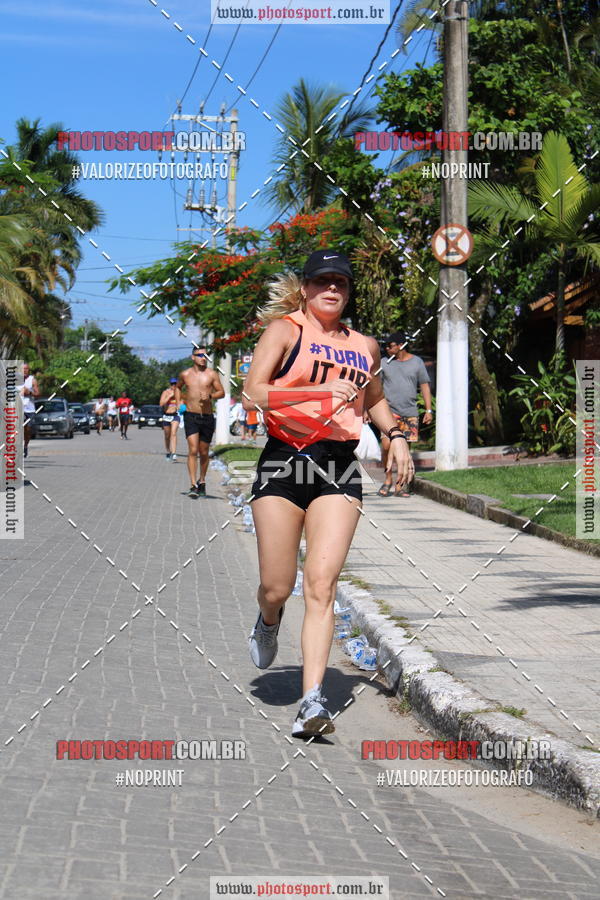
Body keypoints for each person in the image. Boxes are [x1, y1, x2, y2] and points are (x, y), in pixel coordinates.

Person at [243, 249, 412, 737]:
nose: (331, 288)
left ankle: (311, 703)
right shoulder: (286, 330)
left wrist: (393, 435)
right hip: (282, 459)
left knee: (321, 584)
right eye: (322, 281)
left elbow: (374, 399)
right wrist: (316, 394)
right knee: (278, 584)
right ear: (305, 288)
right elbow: (254, 391)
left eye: (340, 281)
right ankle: (268, 617)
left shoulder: (365, 346)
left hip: (337, 464)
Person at [377, 331, 433, 497]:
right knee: (387, 447)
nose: (387, 348)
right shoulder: (384, 363)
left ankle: (400, 485)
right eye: (386, 346)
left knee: (404, 451)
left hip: (409, 413)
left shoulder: (416, 362)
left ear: (401, 345)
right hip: (389, 413)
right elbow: (376, 388)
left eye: (390, 345)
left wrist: (428, 410)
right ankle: (387, 479)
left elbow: (424, 385)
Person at [175, 348, 225, 497]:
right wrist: (178, 403)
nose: (204, 358)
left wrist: (210, 396)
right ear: (193, 357)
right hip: (191, 416)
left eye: (206, 355)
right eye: (200, 355)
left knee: (204, 452)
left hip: (207, 417)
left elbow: (221, 392)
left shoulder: (212, 374)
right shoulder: (185, 374)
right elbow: (177, 388)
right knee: (193, 449)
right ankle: (192, 485)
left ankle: (202, 480)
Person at [18, 363, 39, 459]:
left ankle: (25, 446)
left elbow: (38, 393)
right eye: (23, 369)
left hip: (30, 409)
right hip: (18, 408)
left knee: (28, 430)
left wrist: (29, 392)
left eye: (26, 369)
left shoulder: (32, 380)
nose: (25, 370)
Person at [159, 377, 180, 460]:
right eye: (172, 384)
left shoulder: (179, 393)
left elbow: (181, 402)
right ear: (170, 384)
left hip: (175, 415)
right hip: (166, 415)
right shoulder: (165, 392)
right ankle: (168, 451)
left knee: (173, 433)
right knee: (167, 435)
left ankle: (174, 453)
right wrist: (169, 396)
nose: (174, 385)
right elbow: (161, 404)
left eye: (175, 384)